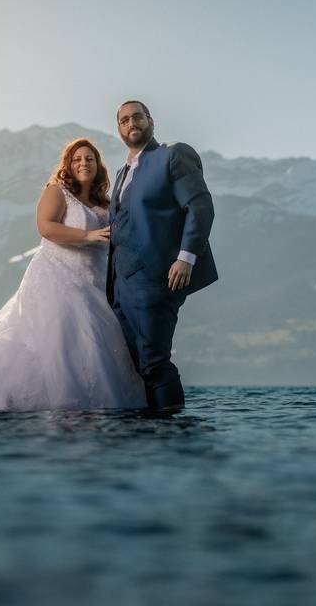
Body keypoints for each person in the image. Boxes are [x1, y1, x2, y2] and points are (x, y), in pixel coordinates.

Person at [0, 138, 146, 410]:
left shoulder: (104, 201)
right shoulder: (57, 192)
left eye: (89, 159)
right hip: (56, 276)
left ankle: (93, 410)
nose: (83, 163)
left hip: (95, 279)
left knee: (95, 347)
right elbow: (45, 227)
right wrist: (88, 234)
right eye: (77, 159)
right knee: (55, 340)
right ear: (68, 164)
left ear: (97, 164)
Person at [108, 100, 218, 410]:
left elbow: (200, 206)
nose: (132, 123)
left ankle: (172, 439)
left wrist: (186, 257)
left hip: (155, 279)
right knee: (136, 367)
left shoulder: (172, 155)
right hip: (119, 286)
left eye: (138, 117)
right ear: (118, 129)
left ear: (151, 121)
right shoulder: (121, 172)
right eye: (125, 120)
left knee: (155, 364)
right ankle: (147, 441)